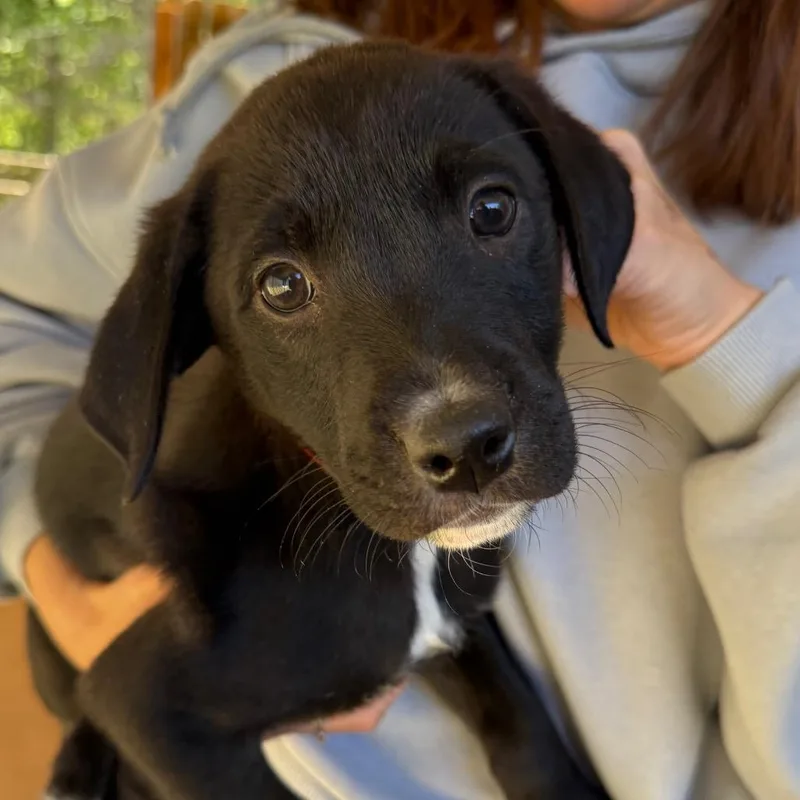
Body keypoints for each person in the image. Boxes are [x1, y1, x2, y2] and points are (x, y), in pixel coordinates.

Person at [2, 0, 798, 797]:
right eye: (283, 286)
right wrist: (48, 568)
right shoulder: (253, 85)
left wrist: (735, 347)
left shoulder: (524, 118)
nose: (449, 419)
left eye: (490, 213)